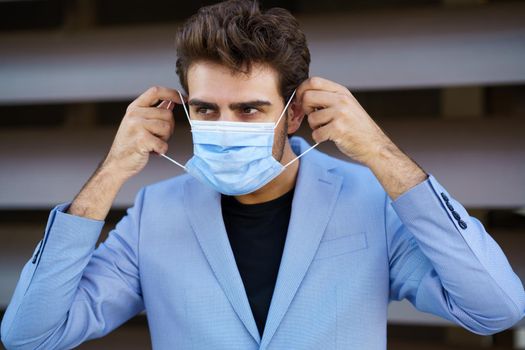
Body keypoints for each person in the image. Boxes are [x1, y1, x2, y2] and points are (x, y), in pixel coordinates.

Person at [2, 1, 524, 349]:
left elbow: (496, 308)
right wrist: (110, 173)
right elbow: (31, 335)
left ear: (292, 115)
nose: (224, 125)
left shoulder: (370, 199)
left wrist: (382, 155)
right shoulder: (153, 214)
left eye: (249, 110)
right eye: (206, 110)